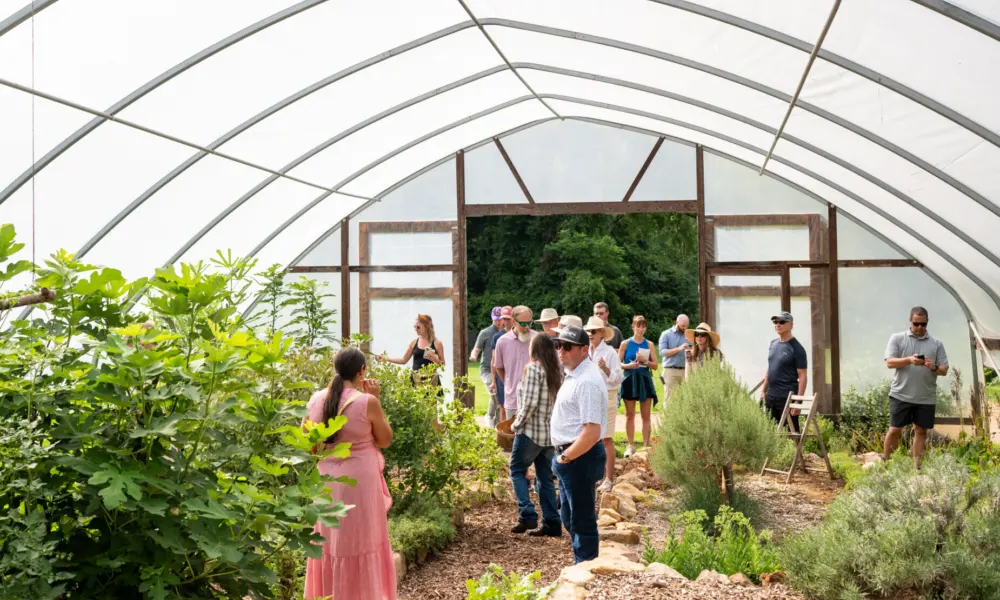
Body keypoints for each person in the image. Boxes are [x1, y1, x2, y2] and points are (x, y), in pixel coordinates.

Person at [304, 347, 395, 600]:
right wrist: (375, 397)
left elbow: (309, 443)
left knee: (329, 540)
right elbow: (385, 440)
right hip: (361, 481)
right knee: (364, 541)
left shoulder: (316, 399)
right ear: (361, 371)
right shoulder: (367, 401)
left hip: (327, 480)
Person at [550, 324, 607, 564]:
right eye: (558, 345)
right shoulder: (575, 374)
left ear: (584, 350)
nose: (561, 351)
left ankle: (585, 569)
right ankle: (582, 563)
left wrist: (565, 458)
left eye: (567, 346)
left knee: (581, 519)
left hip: (579, 456)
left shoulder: (587, 381)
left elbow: (592, 432)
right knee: (569, 516)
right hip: (572, 456)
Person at [509, 335, 563, 537]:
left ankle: (527, 515)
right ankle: (552, 523)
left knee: (516, 470)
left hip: (530, 432)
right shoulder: (556, 371)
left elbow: (529, 404)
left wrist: (516, 424)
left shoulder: (533, 369)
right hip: (550, 434)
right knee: (545, 479)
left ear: (535, 349)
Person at [883, 307, 949, 469]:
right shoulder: (897, 338)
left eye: (923, 324)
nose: (920, 327)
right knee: (895, 430)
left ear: (927, 323)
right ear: (910, 321)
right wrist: (909, 360)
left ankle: (916, 468)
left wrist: (932, 367)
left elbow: (944, 370)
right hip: (900, 394)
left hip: (925, 397)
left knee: (921, 431)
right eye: (916, 324)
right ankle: (889, 465)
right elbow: (889, 362)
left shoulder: (936, 344)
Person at [584, 316, 623, 493]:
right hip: (589, 396)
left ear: (601, 333)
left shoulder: (610, 353)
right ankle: (593, 476)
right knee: (590, 438)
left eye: (593, 331)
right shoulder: (585, 351)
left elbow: (618, 379)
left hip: (607, 395)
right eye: (588, 331)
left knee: (606, 438)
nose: (590, 334)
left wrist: (606, 369)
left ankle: (608, 479)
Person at [759, 311, 808, 433]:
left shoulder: (797, 348)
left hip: (787, 397)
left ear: (791, 325)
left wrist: (798, 401)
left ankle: (797, 452)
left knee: (791, 432)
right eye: (775, 322)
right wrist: (763, 390)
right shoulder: (773, 344)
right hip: (771, 396)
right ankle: (774, 453)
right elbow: (770, 368)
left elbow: (803, 376)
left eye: (781, 322)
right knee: (769, 432)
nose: (778, 325)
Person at [618, 315, 658, 457]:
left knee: (645, 415)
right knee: (630, 414)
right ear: (633, 327)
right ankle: (630, 445)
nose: (641, 329)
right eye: (638, 326)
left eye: (643, 326)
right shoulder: (625, 344)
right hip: (629, 379)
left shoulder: (650, 344)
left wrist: (645, 361)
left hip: (644, 379)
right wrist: (629, 365)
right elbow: (617, 364)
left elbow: (655, 365)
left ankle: (646, 446)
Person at [378, 314, 445, 388]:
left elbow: (442, 365)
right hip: (416, 379)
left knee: (431, 399)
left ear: (427, 326)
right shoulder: (414, 342)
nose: (416, 329)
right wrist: (385, 358)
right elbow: (403, 360)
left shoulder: (437, 343)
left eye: (418, 327)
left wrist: (435, 360)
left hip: (431, 381)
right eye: (415, 327)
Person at [494, 306, 537, 422]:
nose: (527, 327)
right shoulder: (502, 341)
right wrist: (509, 383)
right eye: (523, 324)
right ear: (513, 322)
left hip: (535, 400)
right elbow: (499, 367)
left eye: (530, 323)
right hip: (513, 400)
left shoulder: (537, 339)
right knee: (513, 437)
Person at [471, 306, 503, 428]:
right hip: (487, 370)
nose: (498, 322)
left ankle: (498, 423)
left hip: (500, 369)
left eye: (500, 319)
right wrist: (474, 356)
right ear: (492, 318)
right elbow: (476, 349)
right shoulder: (485, 333)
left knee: (501, 397)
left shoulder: (507, 333)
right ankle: (489, 416)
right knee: (495, 392)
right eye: (496, 319)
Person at [658, 314, 690, 401]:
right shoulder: (666, 334)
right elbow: (662, 352)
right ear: (677, 322)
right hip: (670, 370)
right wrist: (679, 348)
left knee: (685, 399)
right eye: (683, 326)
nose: (684, 328)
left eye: (686, 326)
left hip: (686, 370)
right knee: (669, 400)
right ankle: (668, 415)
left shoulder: (690, 335)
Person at [489, 306, 513, 420]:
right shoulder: (497, 337)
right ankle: (503, 436)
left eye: (508, 318)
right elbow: (494, 359)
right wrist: (493, 381)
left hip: (516, 375)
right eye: (504, 319)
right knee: (503, 407)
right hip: (501, 376)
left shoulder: (520, 334)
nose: (506, 321)